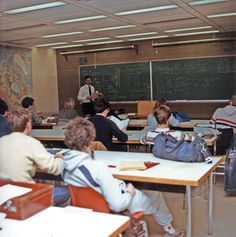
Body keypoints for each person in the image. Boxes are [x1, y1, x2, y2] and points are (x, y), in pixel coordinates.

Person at [61, 117, 185, 237]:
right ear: (89, 140)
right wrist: (129, 192)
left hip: (88, 208)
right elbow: (118, 205)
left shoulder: (64, 165)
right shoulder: (98, 168)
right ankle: (170, 231)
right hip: (114, 205)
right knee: (156, 196)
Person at [0, 109, 69, 206]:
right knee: (68, 191)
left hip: (5, 194)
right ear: (28, 124)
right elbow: (54, 168)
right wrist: (60, 159)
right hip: (26, 194)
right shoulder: (31, 143)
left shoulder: (2, 140)